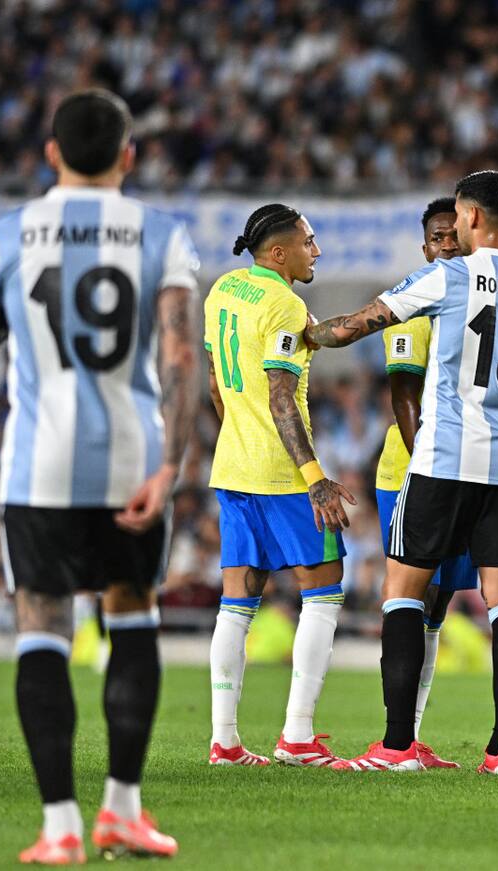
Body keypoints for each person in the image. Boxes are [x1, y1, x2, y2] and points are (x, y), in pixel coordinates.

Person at [0, 89, 199, 863]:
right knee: (132, 614)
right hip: (129, 458)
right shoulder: (163, 236)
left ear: (50, 154)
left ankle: (59, 824)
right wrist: (171, 464)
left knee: (43, 627)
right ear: (129, 155)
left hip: (37, 464)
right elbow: (182, 356)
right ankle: (121, 808)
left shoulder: (7, 235)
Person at [305, 170, 498, 774]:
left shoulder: (447, 276)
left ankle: (397, 747)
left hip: (444, 458)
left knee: (402, 595)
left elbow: (357, 325)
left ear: (469, 216)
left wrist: (305, 334)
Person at [205, 203, 354, 770]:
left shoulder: (223, 290)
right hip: (283, 475)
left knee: (236, 604)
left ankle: (225, 741)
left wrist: (236, 437)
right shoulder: (284, 304)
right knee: (324, 591)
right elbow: (280, 396)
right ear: (278, 252)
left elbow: (217, 382)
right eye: (308, 242)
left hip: (232, 468)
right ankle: (297, 736)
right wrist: (314, 478)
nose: (316, 251)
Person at [373, 196, 476, 769]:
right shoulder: (417, 302)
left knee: (437, 604)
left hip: (463, 471)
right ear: (426, 247)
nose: (448, 245)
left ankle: (411, 737)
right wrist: (429, 473)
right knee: (409, 596)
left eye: (454, 234)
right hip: (413, 471)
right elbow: (403, 396)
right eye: (438, 238)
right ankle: (397, 741)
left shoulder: (476, 299)